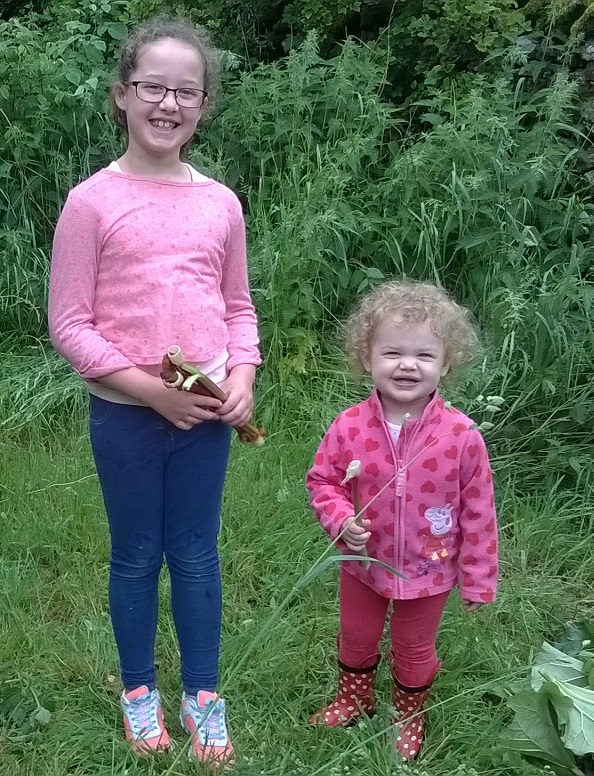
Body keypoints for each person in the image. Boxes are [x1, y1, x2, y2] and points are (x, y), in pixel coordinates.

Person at [48, 16, 260, 766]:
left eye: (186, 91)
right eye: (153, 88)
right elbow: (70, 324)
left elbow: (238, 307)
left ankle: (202, 693)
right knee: (137, 554)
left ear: (205, 104)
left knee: (197, 554)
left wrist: (240, 376)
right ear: (122, 96)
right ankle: (139, 689)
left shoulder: (221, 204)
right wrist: (148, 391)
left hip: (203, 413)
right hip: (126, 417)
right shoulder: (92, 202)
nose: (168, 104)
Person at [306, 280, 499, 760]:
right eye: (392, 352)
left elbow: (479, 513)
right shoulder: (350, 425)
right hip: (363, 564)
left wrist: (478, 582)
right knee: (356, 636)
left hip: (428, 570)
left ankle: (408, 716)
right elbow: (322, 481)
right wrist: (340, 520)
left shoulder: (461, 436)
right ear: (366, 359)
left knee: (414, 649)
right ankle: (355, 699)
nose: (407, 365)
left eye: (424, 356)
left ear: (446, 365)